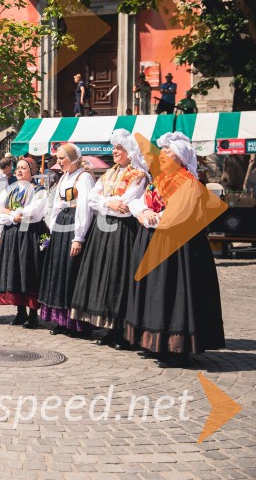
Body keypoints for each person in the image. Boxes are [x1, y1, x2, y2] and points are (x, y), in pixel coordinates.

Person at [125, 132, 225, 367]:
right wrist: (143, 212)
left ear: (180, 158)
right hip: (151, 238)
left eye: (167, 152)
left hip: (178, 244)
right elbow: (137, 200)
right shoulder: (157, 180)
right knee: (152, 292)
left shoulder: (188, 181)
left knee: (173, 291)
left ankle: (175, 349)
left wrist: (154, 218)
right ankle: (152, 342)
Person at [70, 129, 148, 349]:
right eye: (114, 148)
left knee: (118, 277)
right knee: (102, 275)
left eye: (119, 148)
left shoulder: (139, 176)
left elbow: (126, 205)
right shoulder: (108, 174)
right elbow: (92, 198)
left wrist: (108, 203)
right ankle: (108, 327)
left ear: (129, 152)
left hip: (124, 231)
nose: (114, 152)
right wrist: (108, 203)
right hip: (103, 231)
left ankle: (122, 330)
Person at [38, 144, 95, 338]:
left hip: (73, 225)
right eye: (58, 158)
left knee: (71, 272)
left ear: (72, 158)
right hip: (61, 225)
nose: (58, 162)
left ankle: (75, 323)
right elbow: (55, 205)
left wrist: (78, 237)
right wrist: (53, 229)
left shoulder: (84, 177)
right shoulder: (64, 177)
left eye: (62, 158)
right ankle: (61, 320)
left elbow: (85, 208)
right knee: (59, 272)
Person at [0, 157, 50, 329]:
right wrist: (11, 215)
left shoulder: (39, 190)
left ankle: (33, 315)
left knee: (29, 270)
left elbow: (33, 211)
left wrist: (12, 213)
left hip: (31, 233)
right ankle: (20, 312)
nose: (18, 171)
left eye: (23, 168)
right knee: (15, 270)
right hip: (13, 234)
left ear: (32, 171)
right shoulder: (9, 190)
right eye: (17, 168)